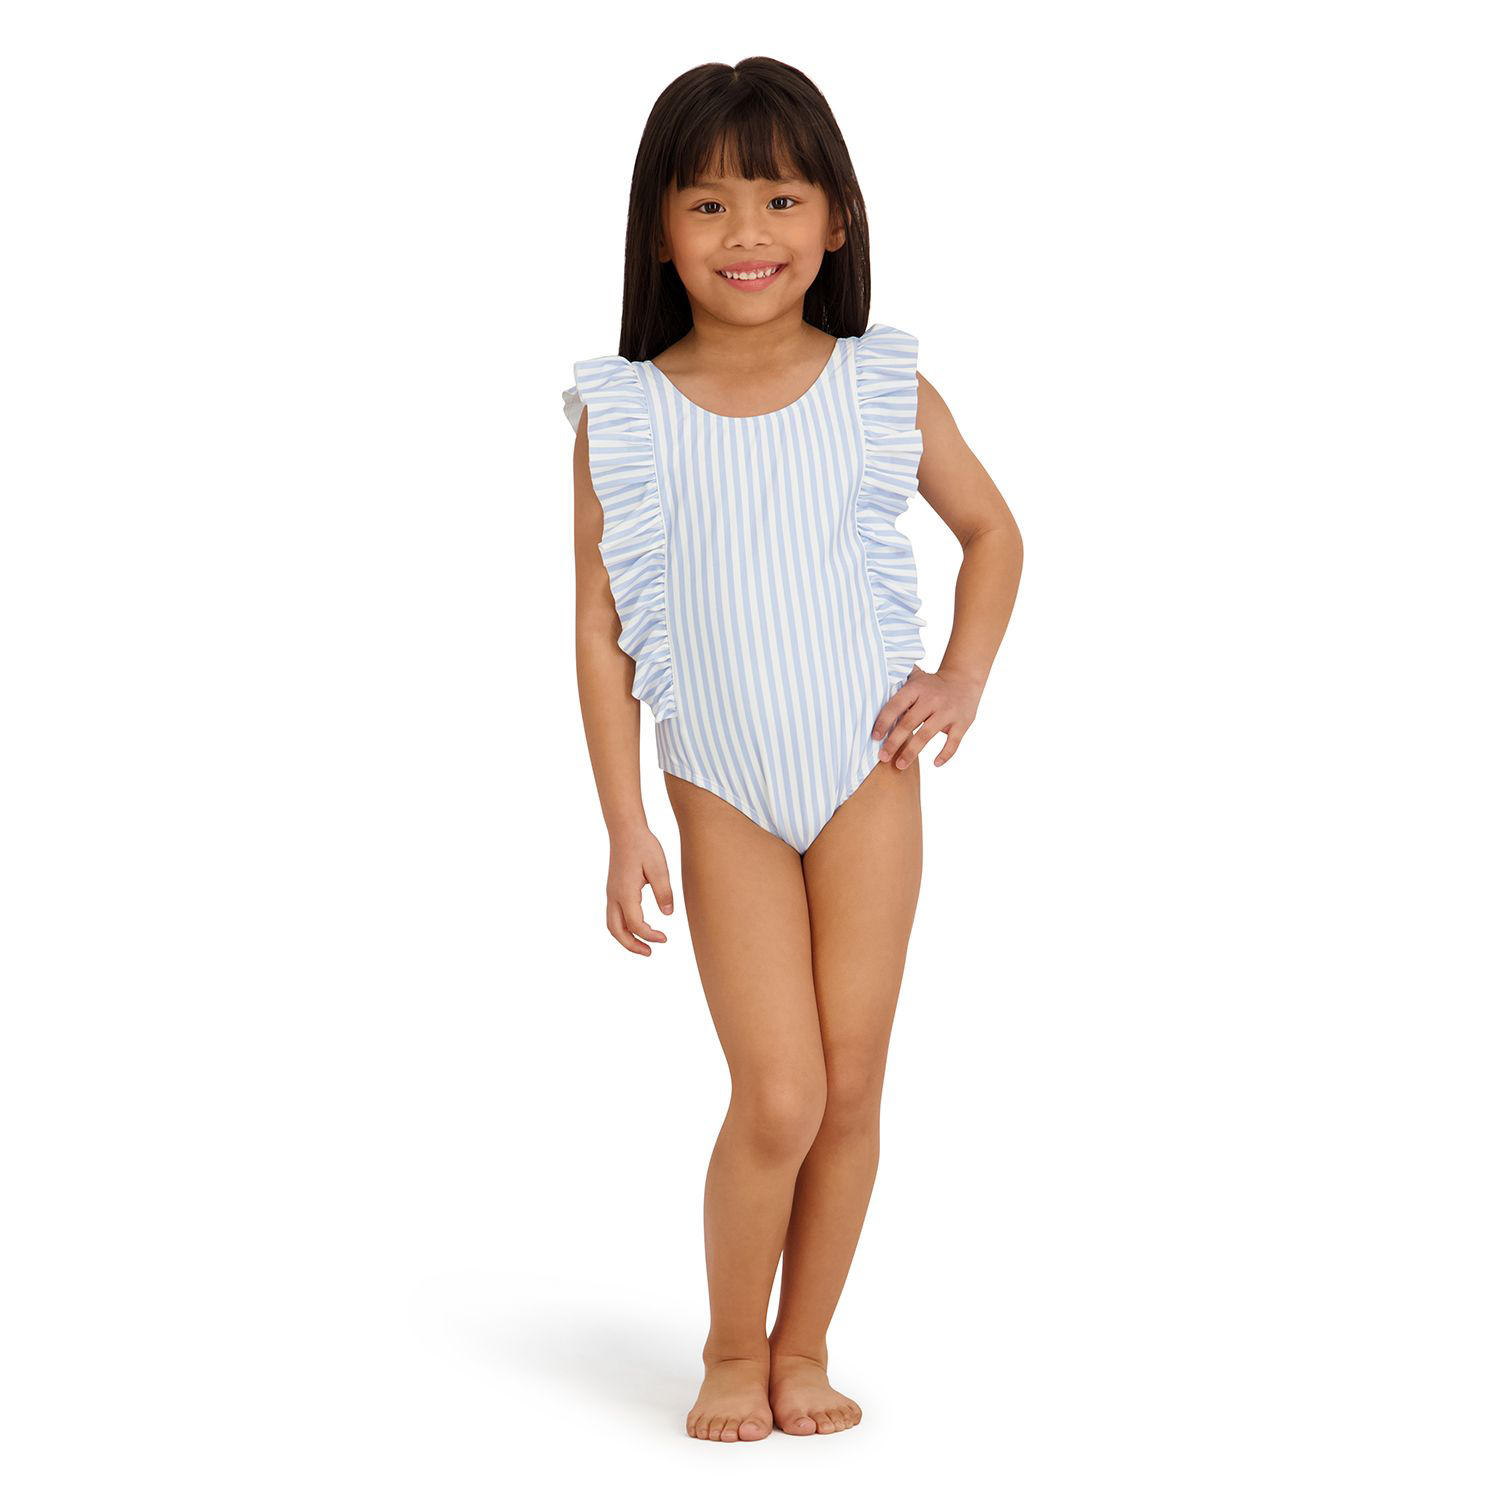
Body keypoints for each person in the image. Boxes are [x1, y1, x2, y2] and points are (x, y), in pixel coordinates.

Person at [562, 56, 1023, 1442]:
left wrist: (960, 675)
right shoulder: (626, 413)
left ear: (836, 219)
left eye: (778, 198)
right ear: (659, 231)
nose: (746, 232)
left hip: (863, 776)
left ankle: (802, 1346)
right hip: (722, 791)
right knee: (778, 1094)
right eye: (708, 203)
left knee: (852, 1084)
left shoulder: (878, 385)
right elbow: (599, 632)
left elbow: (993, 533)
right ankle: (727, 1348)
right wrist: (624, 823)